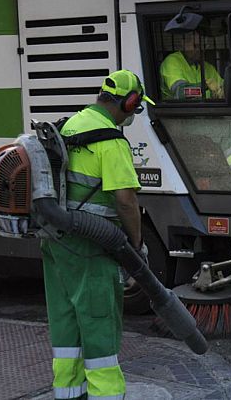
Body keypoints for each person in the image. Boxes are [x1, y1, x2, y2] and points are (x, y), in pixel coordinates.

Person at [40, 69, 154, 399]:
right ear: (130, 103)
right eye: (137, 107)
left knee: (66, 329)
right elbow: (125, 201)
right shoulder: (110, 140)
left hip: (56, 245)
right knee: (99, 332)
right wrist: (136, 246)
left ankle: (68, 394)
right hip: (91, 250)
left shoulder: (68, 126)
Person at [159, 30, 225, 100]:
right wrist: (205, 86)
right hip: (179, 110)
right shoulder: (172, 62)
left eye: (203, 46)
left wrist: (223, 92)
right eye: (195, 46)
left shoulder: (208, 67)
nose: (199, 50)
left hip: (205, 109)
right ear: (183, 43)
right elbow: (181, 93)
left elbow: (224, 87)